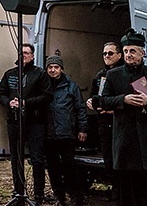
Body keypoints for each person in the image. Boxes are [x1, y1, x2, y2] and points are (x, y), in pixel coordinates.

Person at [98, 28, 147, 206]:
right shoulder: (113, 75)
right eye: (125, 51)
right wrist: (123, 99)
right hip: (125, 143)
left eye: (132, 51)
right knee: (128, 194)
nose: (128, 55)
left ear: (142, 52)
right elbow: (103, 101)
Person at [0, 43, 53, 205]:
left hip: (35, 122)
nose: (24, 56)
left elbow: (47, 96)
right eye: (21, 53)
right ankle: (18, 191)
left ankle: (39, 194)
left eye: (27, 53)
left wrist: (26, 103)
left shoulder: (40, 74)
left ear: (32, 56)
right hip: (14, 121)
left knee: (37, 159)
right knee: (16, 158)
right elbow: (1, 93)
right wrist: (9, 103)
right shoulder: (10, 74)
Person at [44, 55, 88, 206]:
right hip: (48, 135)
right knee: (53, 168)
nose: (53, 70)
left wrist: (82, 129)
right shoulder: (44, 86)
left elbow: (80, 109)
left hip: (67, 134)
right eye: (50, 67)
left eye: (56, 67)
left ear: (61, 69)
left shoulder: (71, 86)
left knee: (69, 167)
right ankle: (59, 197)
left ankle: (76, 196)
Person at [86, 41, 123, 201]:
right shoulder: (100, 75)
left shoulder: (123, 73)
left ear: (119, 55)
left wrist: (114, 109)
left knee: (120, 160)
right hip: (103, 122)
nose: (106, 56)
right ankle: (114, 191)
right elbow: (94, 95)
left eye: (110, 53)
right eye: (104, 54)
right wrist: (92, 103)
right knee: (108, 159)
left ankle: (121, 194)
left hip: (119, 122)